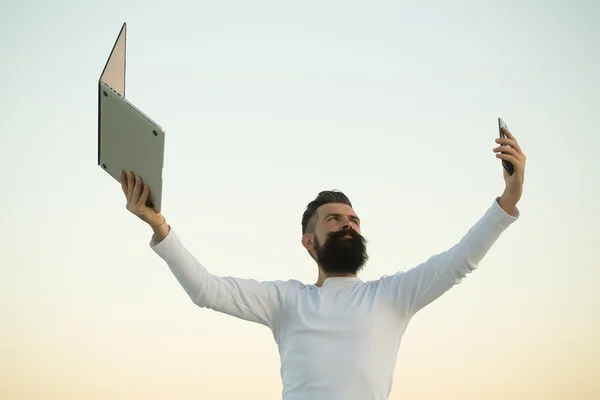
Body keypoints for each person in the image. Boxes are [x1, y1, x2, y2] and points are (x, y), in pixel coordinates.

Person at [119, 127, 526, 400]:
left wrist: (508, 199)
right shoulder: (286, 300)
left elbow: (459, 261)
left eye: (353, 220)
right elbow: (207, 290)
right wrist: (159, 225)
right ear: (309, 242)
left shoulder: (391, 296)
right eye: (334, 220)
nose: (347, 225)